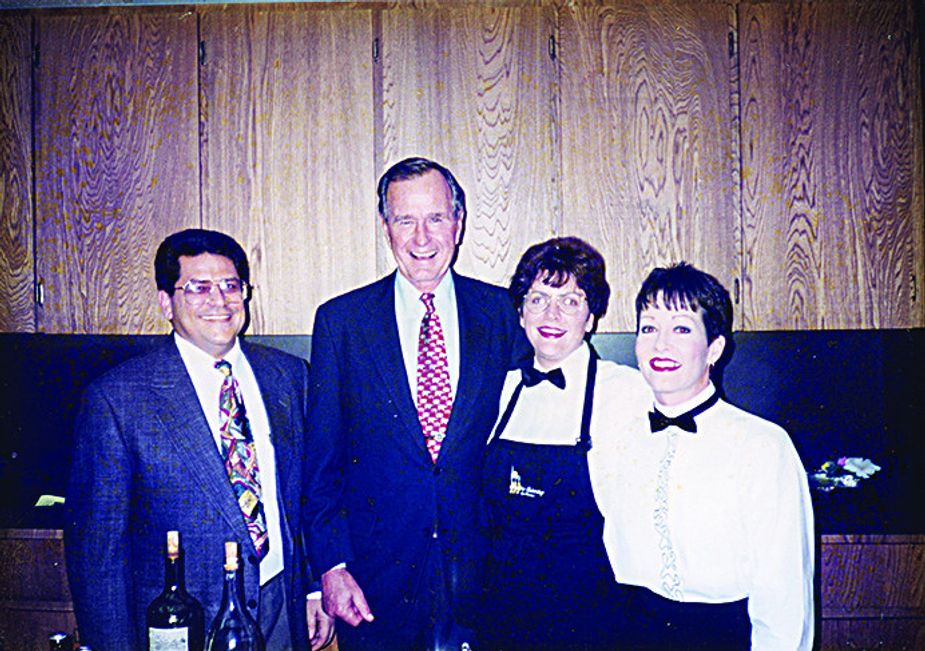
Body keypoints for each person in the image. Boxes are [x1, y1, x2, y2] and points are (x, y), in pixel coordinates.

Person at [65, 229, 334, 651]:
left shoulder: (289, 377)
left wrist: (315, 588)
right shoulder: (118, 398)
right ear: (165, 302)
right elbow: (97, 556)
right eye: (197, 288)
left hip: (282, 610)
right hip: (182, 623)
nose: (219, 301)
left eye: (231, 286)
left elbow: (309, 496)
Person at [303, 157, 528, 650]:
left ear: (459, 222)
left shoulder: (500, 313)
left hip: (483, 576)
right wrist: (331, 567)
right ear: (386, 228)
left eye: (436, 218)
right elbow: (322, 463)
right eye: (405, 220)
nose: (422, 238)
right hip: (374, 582)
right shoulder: (343, 322)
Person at [594, 262, 814, 649]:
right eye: (649, 328)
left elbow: (784, 590)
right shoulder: (614, 432)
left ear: (715, 348)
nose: (661, 345)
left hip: (721, 636)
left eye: (681, 328)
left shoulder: (762, 445)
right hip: (625, 631)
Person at [480, 236, 650, 650]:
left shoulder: (628, 393)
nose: (552, 314)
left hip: (589, 620)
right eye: (538, 299)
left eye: (571, 301)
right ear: (520, 313)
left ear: (591, 316)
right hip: (503, 618)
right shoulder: (500, 392)